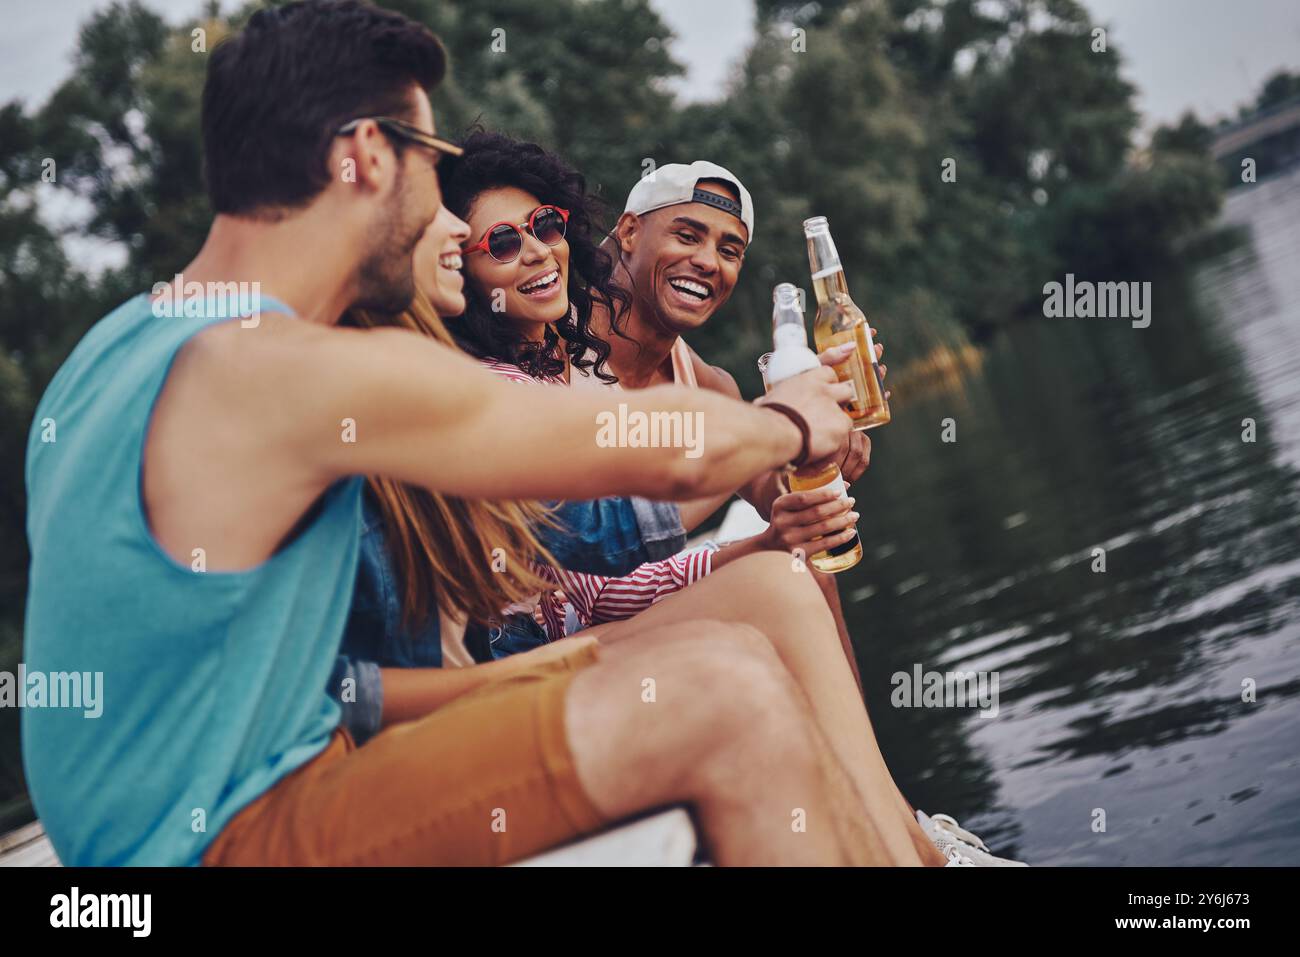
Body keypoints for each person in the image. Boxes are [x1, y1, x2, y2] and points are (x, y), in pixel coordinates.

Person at [22, 0, 898, 867]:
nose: (448, 221)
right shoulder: (272, 362)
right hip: (227, 840)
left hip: (191, 824)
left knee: (730, 640)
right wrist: (788, 418)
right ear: (365, 156)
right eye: (432, 165)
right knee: (723, 693)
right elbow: (640, 449)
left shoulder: (114, 351)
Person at [332, 132, 986, 866]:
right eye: (501, 241)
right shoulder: (480, 387)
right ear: (628, 234)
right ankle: (899, 844)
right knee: (756, 621)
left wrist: (786, 504)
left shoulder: (653, 373)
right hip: (486, 691)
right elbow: (603, 516)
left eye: (547, 226)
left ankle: (901, 831)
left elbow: (584, 582)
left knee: (788, 576)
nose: (540, 251)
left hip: (544, 643)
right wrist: (788, 426)